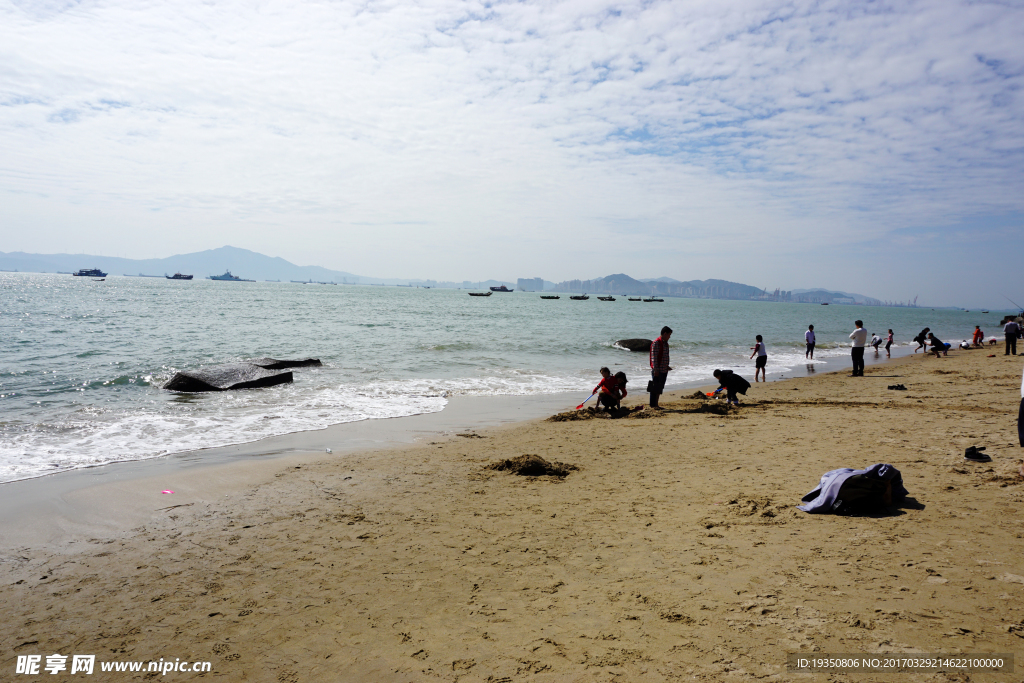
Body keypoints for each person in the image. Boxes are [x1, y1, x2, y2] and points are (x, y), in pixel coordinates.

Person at [649, 326, 672, 409]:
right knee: (655, 388)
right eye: (669, 335)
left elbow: (665, 356)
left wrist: (667, 366)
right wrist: (655, 370)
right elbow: (654, 358)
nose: (669, 337)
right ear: (665, 334)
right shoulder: (656, 343)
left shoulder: (665, 343)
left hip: (664, 369)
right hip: (658, 370)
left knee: (659, 388)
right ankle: (653, 405)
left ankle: (656, 404)